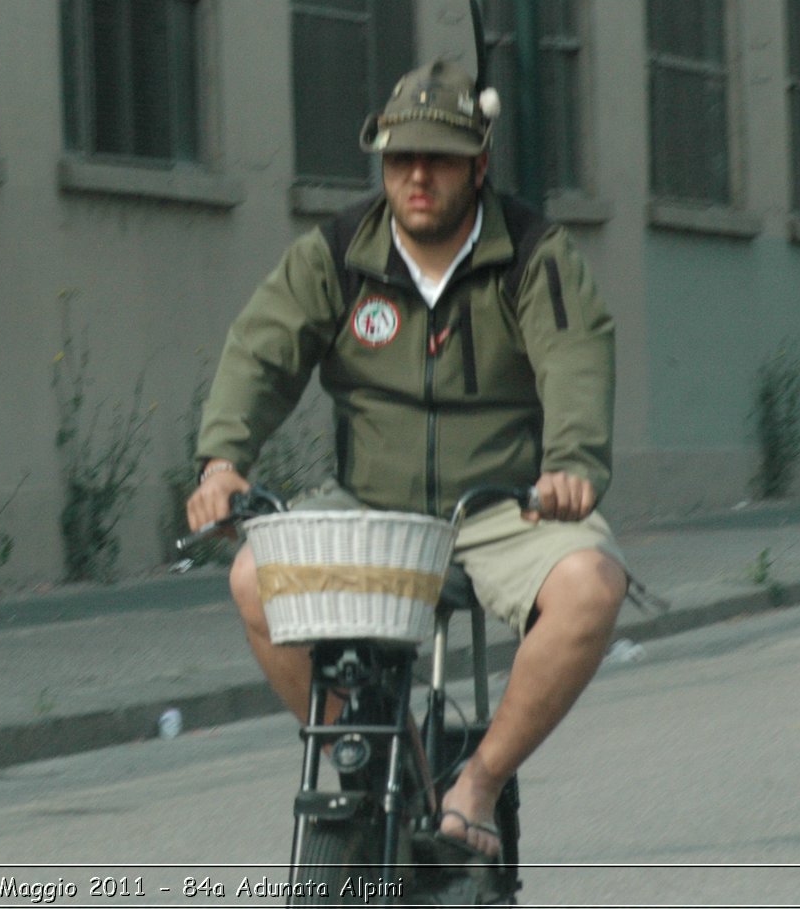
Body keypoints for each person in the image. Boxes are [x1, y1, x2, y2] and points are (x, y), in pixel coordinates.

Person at [186, 58, 628, 860]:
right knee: (254, 577)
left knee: (592, 587)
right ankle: (398, 769)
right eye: (399, 159)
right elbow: (261, 353)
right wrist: (222, 463)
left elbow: (575, 359)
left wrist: (571, 465)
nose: (417, 176)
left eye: (440, 159)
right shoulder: (335, 253)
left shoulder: (535, 253)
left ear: (479, 165)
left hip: (501, 508)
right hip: (369, 506)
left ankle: (478, 785)